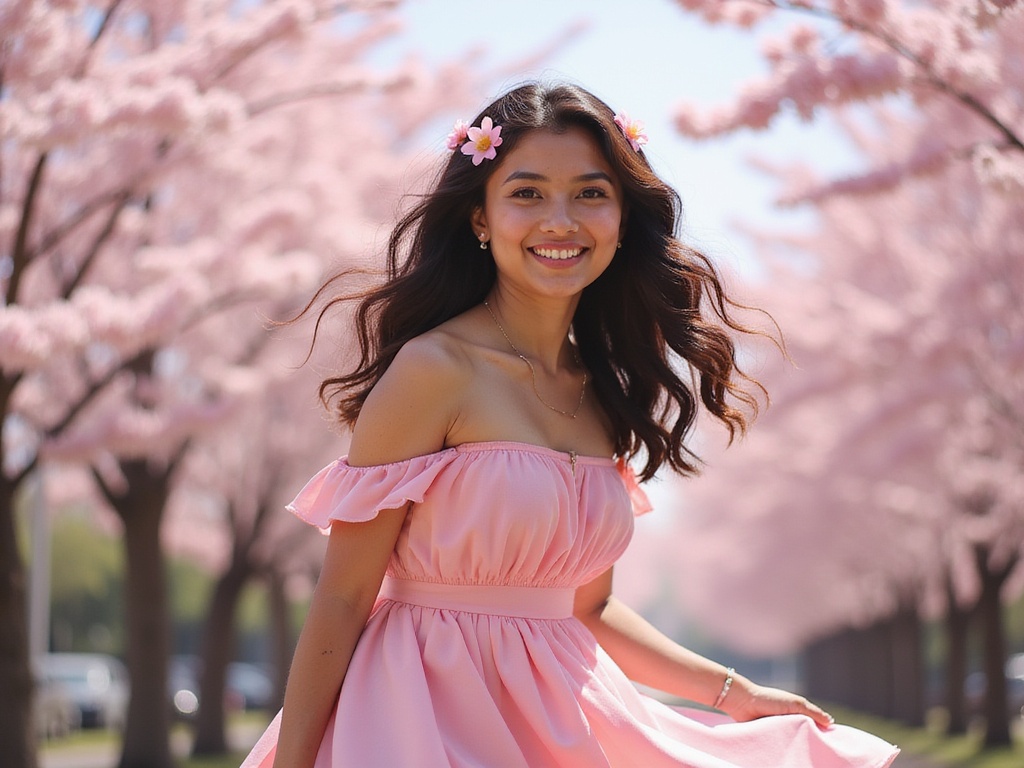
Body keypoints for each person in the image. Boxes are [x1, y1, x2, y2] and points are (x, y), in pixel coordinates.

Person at [241, 82, 899, 767]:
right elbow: (344, 596)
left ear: (621, 218)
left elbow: (587, 607)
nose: (561, 221)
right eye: (526, 193)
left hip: (558, 714)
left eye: (590, 193)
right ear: (480, 219)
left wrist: (735, 695)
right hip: (420, 715)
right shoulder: (434, 369)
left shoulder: (602, 391)